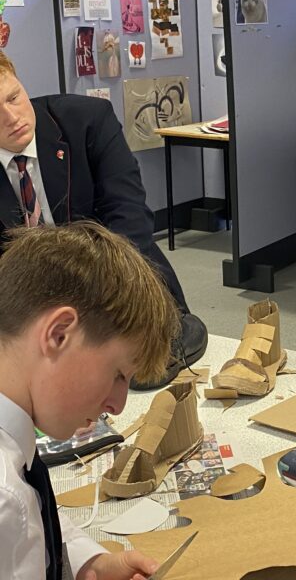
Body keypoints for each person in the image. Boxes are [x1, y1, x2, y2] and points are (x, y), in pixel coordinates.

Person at [0, 50, 207, 389]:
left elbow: (129, 219)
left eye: (14, 97)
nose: (12, 117)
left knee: (135, 374)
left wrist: (93, 311)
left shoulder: (87, 120)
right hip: (35, 312)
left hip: (116, 282)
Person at [0, 221, 180, 579]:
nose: (118, 405)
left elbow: (31, 514)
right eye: (117, 375)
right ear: (59, 334)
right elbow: (17, 514)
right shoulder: (7, 501)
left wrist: (86, 563)